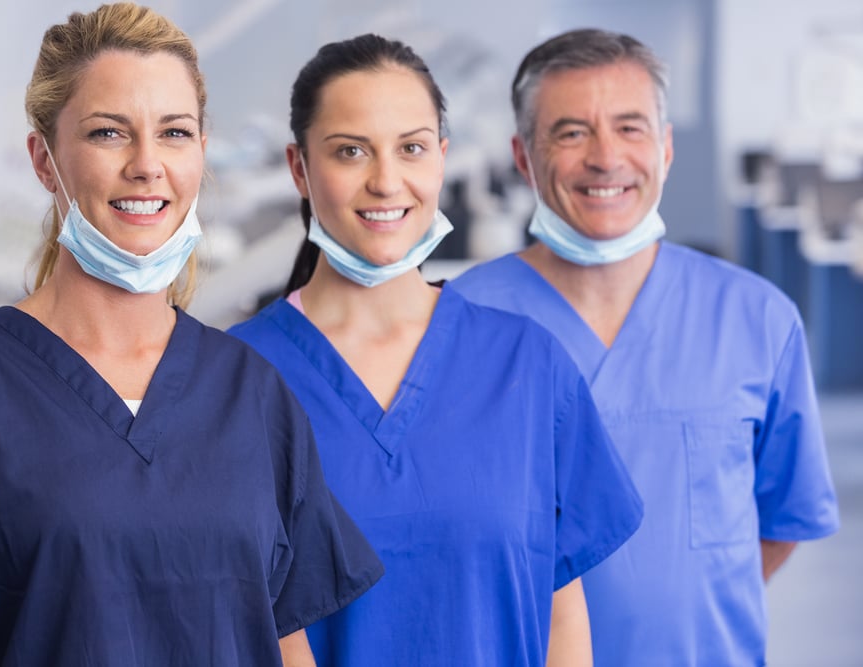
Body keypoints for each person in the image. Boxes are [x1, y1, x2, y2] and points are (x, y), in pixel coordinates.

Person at [0, 4, 383, 665]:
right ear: (44, 160)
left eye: (174, 132)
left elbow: (282, 641)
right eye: (109, 133)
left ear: (200, 151)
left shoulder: (251, 396)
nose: (147, 164)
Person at [228, 33, 643, 666]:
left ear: (441, 159)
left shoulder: (527, 366)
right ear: (299, 168)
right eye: (350, 151)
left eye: (412, 148)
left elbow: (561, 615)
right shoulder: (235, 380)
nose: (386, 180)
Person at [451, 28, 841, 666]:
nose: (606, 158)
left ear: (664, 148)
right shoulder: (459, 320)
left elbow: (778, 524)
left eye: (630, 129)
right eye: (571, 132)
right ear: (523, 156)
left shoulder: (757, 318)